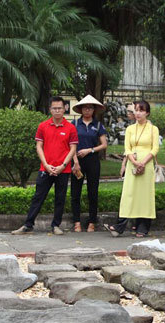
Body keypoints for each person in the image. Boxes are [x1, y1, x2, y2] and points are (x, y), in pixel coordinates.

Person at [12, 96, 77, 235]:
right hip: (45, 168)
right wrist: (46, 165)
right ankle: (28, 225)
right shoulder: (43, 126)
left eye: (60, 108)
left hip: (63, 170)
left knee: (60, 198)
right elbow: (39, 146)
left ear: (65, 108)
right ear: (50, 109)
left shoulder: (70, 128)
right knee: (38, 197)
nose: (57, 111)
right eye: (54, 108)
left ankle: (56, 225)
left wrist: (63, 165)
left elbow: (72, 149)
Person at [104, 100, 159, 237]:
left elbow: (155, 148)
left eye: (141, 110)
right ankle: (119, 225)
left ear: (147, 113)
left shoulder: (153, 129)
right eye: (136, 110)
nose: (138, 113)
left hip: (147, 165)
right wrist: (134, 162)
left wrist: (143, 162)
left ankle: (143, 227)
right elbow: (127, 148)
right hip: (132, 164)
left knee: (145, 196)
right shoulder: (130, 129)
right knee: (128, 194)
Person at [70, 95, 108, 233]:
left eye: (90, 108)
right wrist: (75, 162)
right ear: (80, 109)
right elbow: (71, 145)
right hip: (77, 161)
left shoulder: (98, 125)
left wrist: (90, 150)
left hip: (92, 160)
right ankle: (77, 222)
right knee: (76, 192)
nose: (87, 110)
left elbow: (104, 145)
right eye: (85, 108)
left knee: (93, 192)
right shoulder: (74, 124)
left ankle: (92, 222)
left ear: (94, 110)